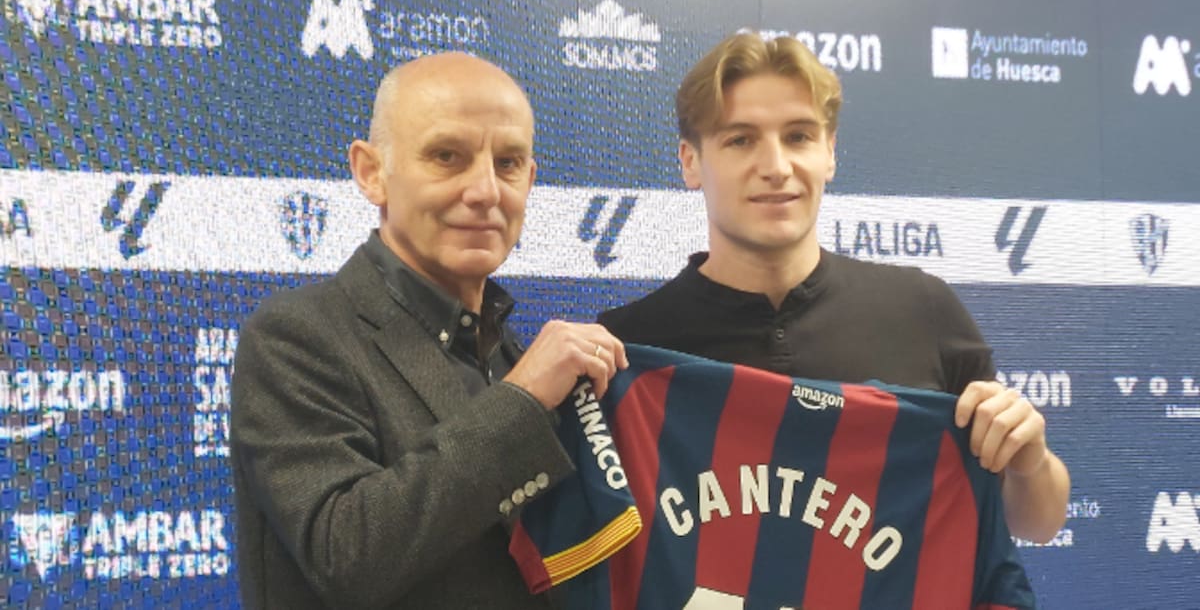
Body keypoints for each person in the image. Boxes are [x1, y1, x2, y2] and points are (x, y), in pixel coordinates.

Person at [598, 32, 1069, 544]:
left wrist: (1030, 463)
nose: (776, 167)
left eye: (798, 136)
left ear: (830, 153)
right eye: (741, 140)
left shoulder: (923, 311)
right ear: (691, 162)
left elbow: (1037, 524)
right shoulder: (625, 351)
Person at [231, 52, 626, 609]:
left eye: (508, 163)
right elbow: (346, 556)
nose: (486, 191)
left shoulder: (509, 354)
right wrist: (522, 401)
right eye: (447, 156)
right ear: (371, 172)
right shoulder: (295, 337)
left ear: (530, 180)